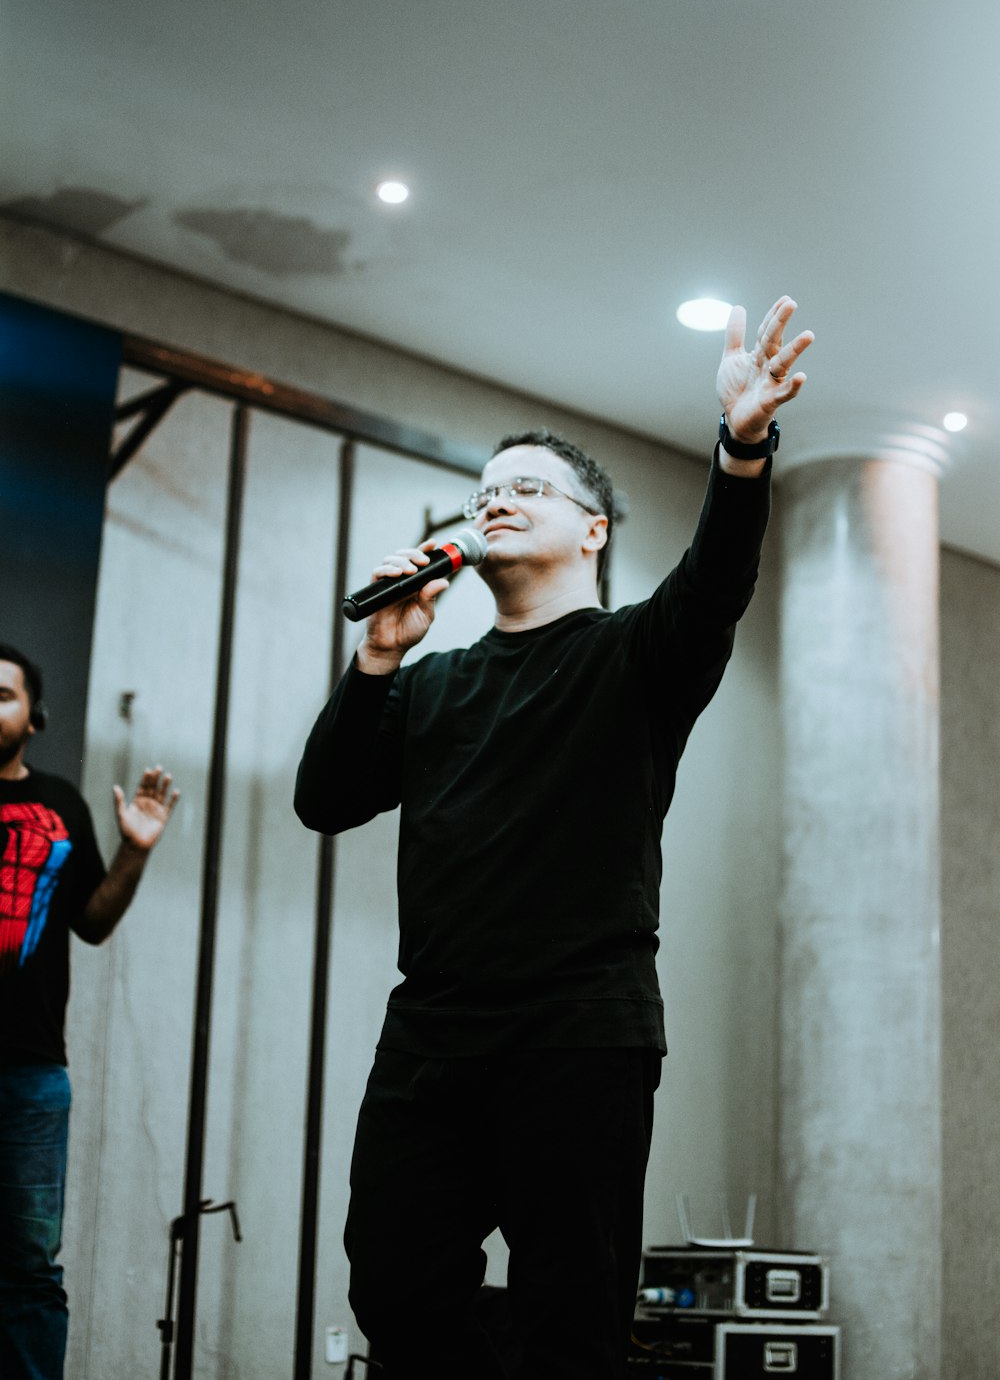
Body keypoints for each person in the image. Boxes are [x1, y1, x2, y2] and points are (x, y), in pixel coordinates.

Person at [295, 296, 813, 1378]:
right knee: (392, 1284)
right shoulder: (433, 681)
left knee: (570, 1314)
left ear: (593, 529)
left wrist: (742, 446)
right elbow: (327, 798)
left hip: (579, 1029)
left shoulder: (636, 658)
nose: (499, 503)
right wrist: (378, 656)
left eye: (529, 487)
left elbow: (718, 580)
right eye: (486, 494)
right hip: (432, 1031)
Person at [0, 644, 180, 1380]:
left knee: (28, 1270)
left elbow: (93, 923)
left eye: (2, 694)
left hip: (30, 1076)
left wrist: (134, 854)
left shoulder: (59, 803)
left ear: (32, 717)